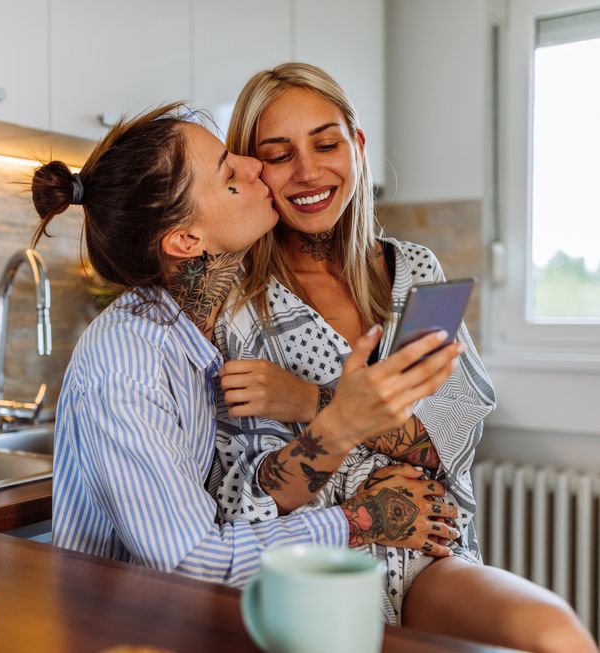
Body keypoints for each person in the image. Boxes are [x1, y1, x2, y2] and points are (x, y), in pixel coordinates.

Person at [215, 62, 595, 652]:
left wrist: (308, 399)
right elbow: (255, 496)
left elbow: (453, 435)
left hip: (428, 560)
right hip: (311, 568)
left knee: (554, 634)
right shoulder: (236, 301)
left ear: (357, 147)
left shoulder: (414, 270)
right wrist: (365, 502)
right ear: (252, 168)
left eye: (326, 143)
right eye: (280, 152)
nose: (310, 170)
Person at [31, 103, 461, 588]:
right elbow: (191, 562)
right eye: (230, 173)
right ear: (188, 240)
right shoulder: (126, 367)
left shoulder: (207, 331)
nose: (253, 165)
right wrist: (357, 521)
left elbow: (453, 430)